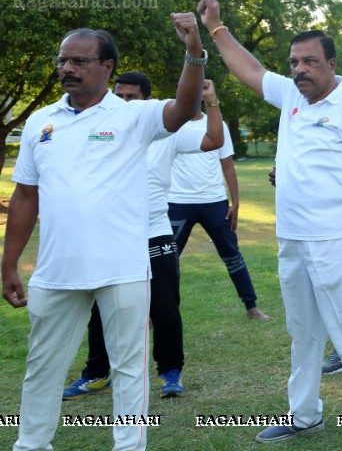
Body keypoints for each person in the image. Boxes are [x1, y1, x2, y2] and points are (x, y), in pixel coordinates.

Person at [196, 0, 342, 451]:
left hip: (339, 243)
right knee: (303, 333)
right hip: (292, 240)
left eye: (310, 61)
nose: (300, 70)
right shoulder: (293, 96)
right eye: (294, 62)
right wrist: (216, 29)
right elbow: (248, 70)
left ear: (332, 64)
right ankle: (305, 416)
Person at [1, 17, 207, 451]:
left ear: (107, 66)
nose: (66, 69)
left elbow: (185, 108)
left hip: (121, 268)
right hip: (55, 271)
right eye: (62, 61)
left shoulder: (133, 116)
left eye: (79, 61)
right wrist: (9, 264)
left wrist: (194, 50)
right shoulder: (40, 122)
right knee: (42, 370)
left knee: (130, 368)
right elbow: (26, 196)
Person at [62, 74, 224, 405]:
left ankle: (170, 372)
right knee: (101, 305)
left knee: (165, 304)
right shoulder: (100, 130)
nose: (123, 102)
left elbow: (214, 140)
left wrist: (211, 101)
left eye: (131, 96)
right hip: (108, 235)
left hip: (154, 230)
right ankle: (96, 374)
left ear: (148, 99)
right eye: (118, 95)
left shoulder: (165, 132)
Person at [167, 94, 271, 321]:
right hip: (177, 202)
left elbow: (228, 166)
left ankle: (251, 307)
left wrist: (236, 202)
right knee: (167, 259)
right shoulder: (170, 125)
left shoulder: (217, 124)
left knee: (232, 254)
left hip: (214, 202)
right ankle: (156, 313)